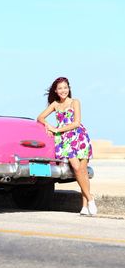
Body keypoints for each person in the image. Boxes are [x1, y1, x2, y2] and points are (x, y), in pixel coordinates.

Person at [37, 77, 97, 216]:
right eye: (60, 88)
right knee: (76, 168)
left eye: (65, 87)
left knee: (82, 171)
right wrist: (48, 126)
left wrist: (57, 129)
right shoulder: (55, 104)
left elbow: (77, 122)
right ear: (56, 91)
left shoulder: (75, 102)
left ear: (68, 88)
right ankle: (90, 198)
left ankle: (84, 206)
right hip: (65, 140)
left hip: (79, 137)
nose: (63, 90)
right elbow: (40, 117)